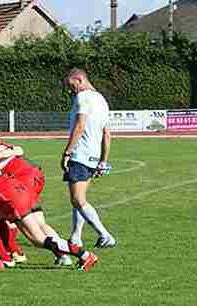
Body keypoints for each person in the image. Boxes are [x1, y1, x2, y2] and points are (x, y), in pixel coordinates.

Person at [62, 68, 116, 248]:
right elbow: (107, 134)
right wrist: (103, 161)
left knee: (78, 199)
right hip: (93, 157)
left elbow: (80, 125)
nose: (70, 90)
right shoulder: (101, 100)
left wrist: (68, 152)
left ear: (79, 79)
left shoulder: (83, 97)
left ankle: (105, 235)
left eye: (71, 85)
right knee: (79, 198)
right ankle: (75, 237)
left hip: (80, 154)